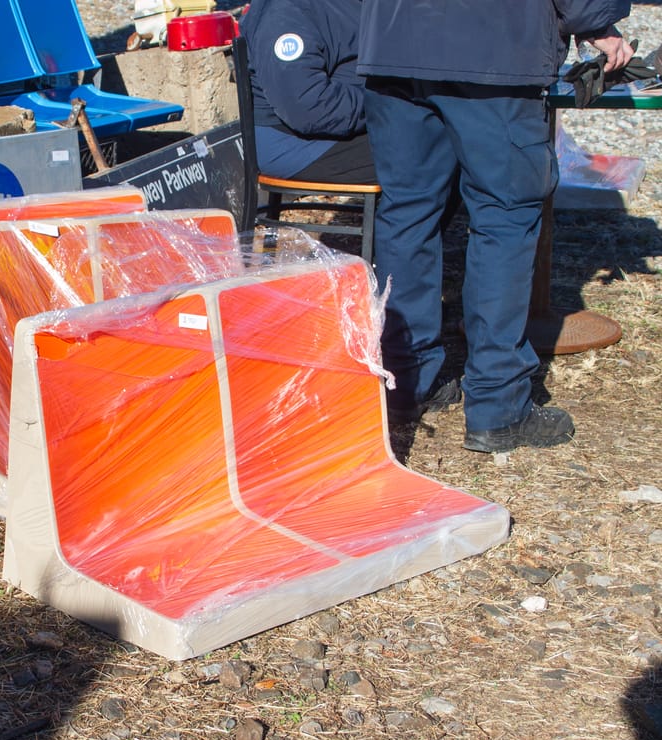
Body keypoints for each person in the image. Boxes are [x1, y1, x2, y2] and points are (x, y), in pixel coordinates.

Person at [357, 1, 634, 453]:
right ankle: (497, 405)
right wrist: (596, 21)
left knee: (407, 215)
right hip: (493, 51)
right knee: (503, 220)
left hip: (392, 45)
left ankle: (406, 383)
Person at [239, 0, 375, 184]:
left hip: (352, 117)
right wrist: (385, 104)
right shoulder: (284, 12)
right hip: (298, 141)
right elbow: (306, 107)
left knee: (419, 132)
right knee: (418, 151)